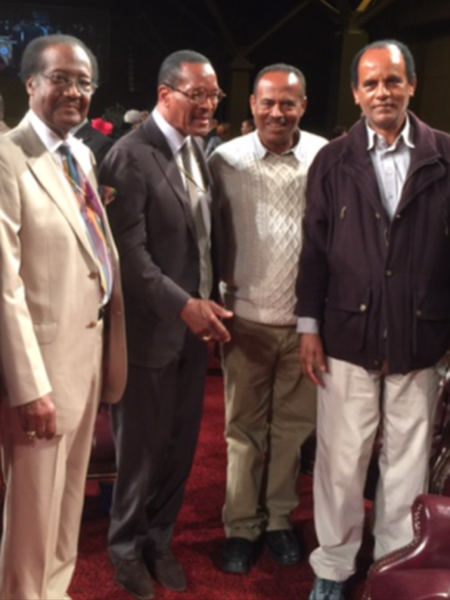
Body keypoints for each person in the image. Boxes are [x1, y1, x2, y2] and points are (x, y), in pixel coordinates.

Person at [296, 39, 450, 600]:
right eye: (371, 83)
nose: (382, 92)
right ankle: (333, 568)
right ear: (356, 94)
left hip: (422, 337)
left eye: (392, 80)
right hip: (345, 334)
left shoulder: (445, 155)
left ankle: (392, 566)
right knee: (340, 461)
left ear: (412, 86)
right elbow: (314, 251)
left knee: (407, 464)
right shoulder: (333, 160)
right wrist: (308, 326)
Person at [99, 49, 232, 600]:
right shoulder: (129, 155)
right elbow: (128, 257)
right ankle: (125, 549)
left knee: (180, 448)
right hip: (150, 333)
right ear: (164, 94)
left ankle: (159, 540)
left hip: (192, 333)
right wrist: (184, 305)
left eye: (214, 95)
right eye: (197, 95)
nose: (208, 105)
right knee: (140, 452)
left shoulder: (196, 150)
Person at [0, 34, 127, 600]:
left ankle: (55, 590)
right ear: (30, 83)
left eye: (83, 82)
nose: (74, 91)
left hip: (87, 357)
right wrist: (30, 385)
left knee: (69, 499)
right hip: (42, 372)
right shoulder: (8, 157)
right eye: (60, 79)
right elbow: (5, 285)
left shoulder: (81, 155)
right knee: (31, 515)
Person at [209, 63, 327, 575]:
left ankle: (279, 520)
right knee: (243, 432)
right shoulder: (225, 160)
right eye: (268, 102)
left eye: (288, 103)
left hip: (305, 327)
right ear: (252, 105)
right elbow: (207, 238)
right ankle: (240, 526)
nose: (277, 112)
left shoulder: (324, 156)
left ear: (304, 106)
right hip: (245, 321)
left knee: (293, 432)